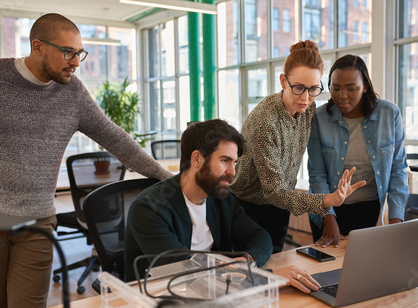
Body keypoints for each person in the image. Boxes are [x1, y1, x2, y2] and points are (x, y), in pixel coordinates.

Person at [0, 13, 172, 308]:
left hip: (37, 223)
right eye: (68, 52)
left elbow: (116, 139)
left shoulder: (73, 93)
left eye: (79, 53)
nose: (76, 61)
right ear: (38, 47)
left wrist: (167, 177)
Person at [124, 119, 321, 294]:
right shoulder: (149, 208)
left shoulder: (220, 198)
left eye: (234, 162)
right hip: (160, 300)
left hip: (217, 293)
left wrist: (246, 262)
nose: (232, 172)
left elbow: (260, 236)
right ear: (197, 159)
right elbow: (185, 271)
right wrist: (266, 278)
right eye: (225, 161)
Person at [229, 40, 365, 253]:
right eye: (299, 88)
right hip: (245, 208)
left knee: (277, 269)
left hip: (281, 207)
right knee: (249, 272)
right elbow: (274, 191)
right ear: (283, 81)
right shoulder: (265, 122)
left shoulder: (308, 110)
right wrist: (327, 201)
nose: (305, 98)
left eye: (313, 89)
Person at [307, 54, 409, 247]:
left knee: (366, 271)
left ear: (365, 86)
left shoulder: (389, 114)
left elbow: (397, 170)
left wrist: (397, 220)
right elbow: (317, 174)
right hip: (328, 211)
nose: (342, 95)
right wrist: (328, 218)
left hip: (369, 209)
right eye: (335, 88)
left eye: (351, 88)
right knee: (326, 274)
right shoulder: (319, 118)